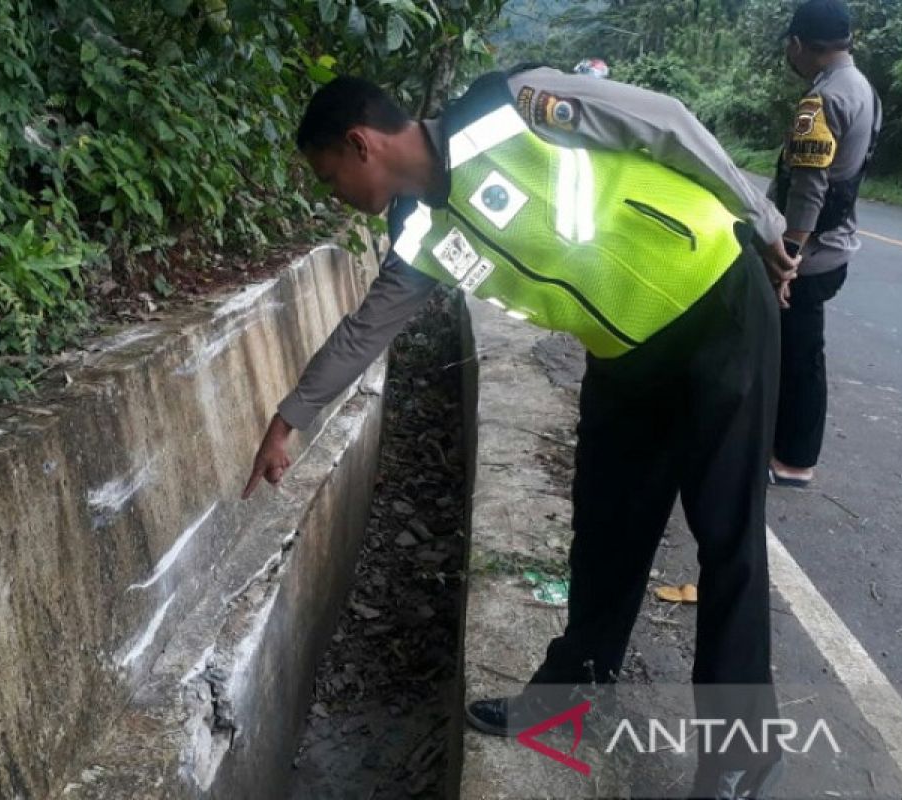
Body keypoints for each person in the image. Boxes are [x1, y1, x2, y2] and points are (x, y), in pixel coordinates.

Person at [240, 66, 800, 798]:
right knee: (605, 533)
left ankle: (740, 753)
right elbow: (364, 330)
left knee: (726, 537)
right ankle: (568, 696)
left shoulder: (513, 103)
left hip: (715, 301)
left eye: (328, 174)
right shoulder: (416, 232)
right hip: (624, 354)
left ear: (361, 143)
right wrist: (289, 420)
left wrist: (760, 219)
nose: (331, 191)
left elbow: (663, 122)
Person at [768, 0, 881, 488]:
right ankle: (784, 450)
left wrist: (785, 260)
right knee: (798, 353)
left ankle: (794, 460)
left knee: (799, 357)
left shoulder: (821, 99)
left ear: (797, 45)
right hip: (834, 244)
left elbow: (810, 187)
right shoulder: (863, 89)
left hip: (809, 255)